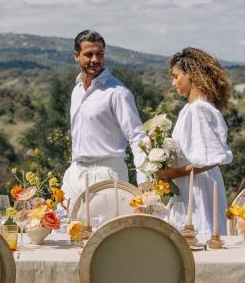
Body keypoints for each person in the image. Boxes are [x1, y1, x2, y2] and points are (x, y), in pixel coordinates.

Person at [62, 30, 146, 205]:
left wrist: (143, 179)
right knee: (66, 227)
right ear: (76, 56)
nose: (95, 59)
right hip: (75, 172)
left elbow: (137, 136)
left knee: (105, 229)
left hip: (107, 173)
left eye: (99, 54)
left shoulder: (118, 92)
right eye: (89, 54)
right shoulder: (76, 90)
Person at [158, 47, 232, 237]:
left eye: (176, 76)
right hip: (187, 186)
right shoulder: (188, 109)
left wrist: (173, 173)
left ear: (190, 75)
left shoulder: (199, 110)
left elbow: (210, 160)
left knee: (199, 239)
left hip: (199, 189)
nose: (173, 83)